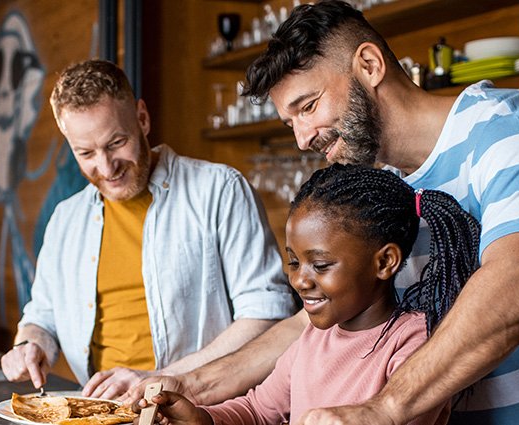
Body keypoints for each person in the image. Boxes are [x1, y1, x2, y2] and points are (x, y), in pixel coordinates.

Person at [129, 2, 519, 424]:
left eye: (309, 106)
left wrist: (385, 409)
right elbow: (309, 322)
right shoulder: (383, 186)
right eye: (289, 120)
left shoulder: (513, 132)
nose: (301, 137)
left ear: (368, 64)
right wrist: (189, 389)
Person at [0, 59, 297, 400]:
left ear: (142, 118)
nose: (106, 167)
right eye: (86, 153)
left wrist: (159, 378)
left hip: (202, 408)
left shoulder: (220, 190)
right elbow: (42, 315)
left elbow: (267, 316)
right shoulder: (65, 218)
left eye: (115, 143)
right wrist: (30, 344)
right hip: (101, 412)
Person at [142, 164, 477, 425]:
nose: (300, 280)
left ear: (385, 262)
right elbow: (258, 411)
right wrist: (203, 418)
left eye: (320, 264)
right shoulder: (310, 339)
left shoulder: (415, 344)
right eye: (293, 261)